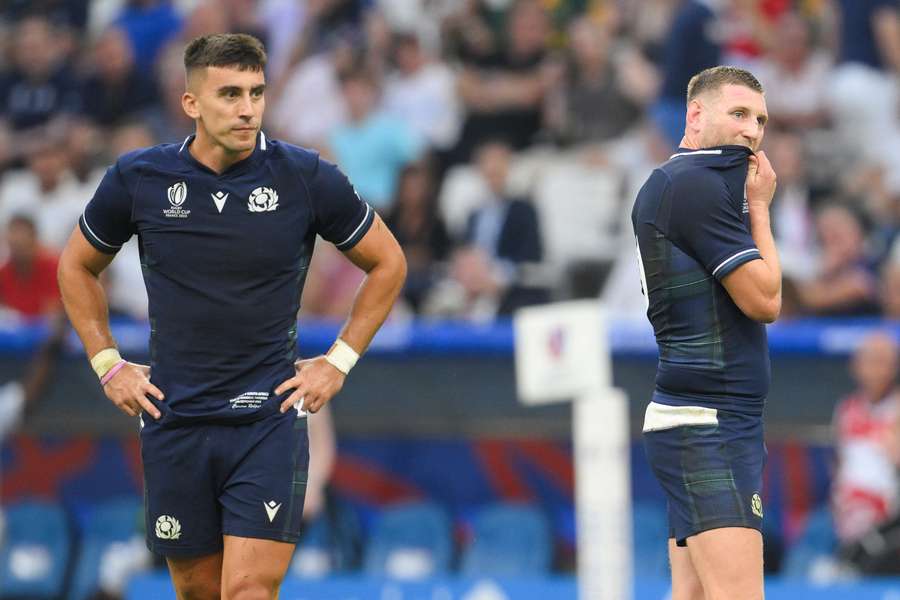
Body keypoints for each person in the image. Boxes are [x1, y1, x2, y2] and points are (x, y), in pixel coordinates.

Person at [57, 33, 407, 599]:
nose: (247, 108)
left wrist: (338, 362)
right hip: (176, 420)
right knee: (198, 592)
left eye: (256, 93)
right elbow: (76, 266)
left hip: (265, 422)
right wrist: (107, 364)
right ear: (191, 103)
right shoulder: (139, 178)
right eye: (229, 94)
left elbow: (388, 263)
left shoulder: (305, 176)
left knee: (247, 591)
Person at [632, 66, 780, 600]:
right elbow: (765, 300)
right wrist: (761, 209)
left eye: (760, 119)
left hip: (701, 419)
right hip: (708, 425)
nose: (752, 131)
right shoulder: (695, 184)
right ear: (696, 115)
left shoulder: (684, 182)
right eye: (738, 114)